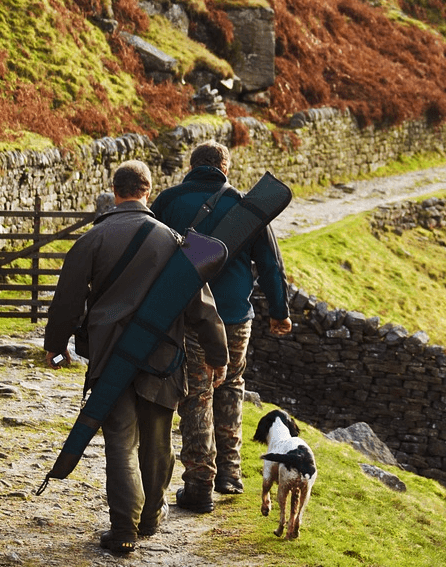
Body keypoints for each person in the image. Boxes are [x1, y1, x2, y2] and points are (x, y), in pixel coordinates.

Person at [43, 160, 229, 553]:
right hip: (162, 359)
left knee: (120, 443)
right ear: (148, 190)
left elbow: (67, 301)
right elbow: (202, 307)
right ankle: (150, 518)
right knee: (158, 442)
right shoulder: (175, 241)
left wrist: (55, 345)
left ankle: (124, 528)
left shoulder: (93, 239)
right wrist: (218, 354)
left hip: (110, 358)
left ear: (115, 191)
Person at [150, 139, 292, 513]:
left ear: (192, 165)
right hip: (234, 317)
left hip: (188, 314)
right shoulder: (246, 207)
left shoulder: (167, 201)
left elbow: (149, 252)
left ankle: (200, 483)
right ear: (225, 167)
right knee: (230, 387)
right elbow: (271, 266)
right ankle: (229, 474)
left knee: (197, 393)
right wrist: (280, 312)